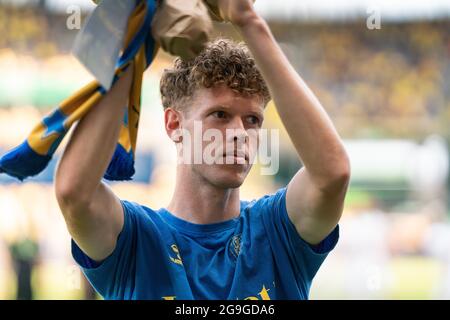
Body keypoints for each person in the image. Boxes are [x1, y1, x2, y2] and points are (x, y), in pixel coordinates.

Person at [55, 0, 350, 300]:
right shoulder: (137, 239)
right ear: (174, 124)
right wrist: (135, 43)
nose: (239, 134)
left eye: (252, 120)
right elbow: (74, 194)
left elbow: (332, 175)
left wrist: (247, 20)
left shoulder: (277, 231)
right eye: (220, 115)